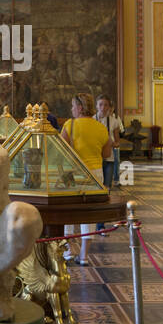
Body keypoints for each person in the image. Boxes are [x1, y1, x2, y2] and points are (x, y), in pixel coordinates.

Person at [60, 93, 112, 265]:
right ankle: (84, 255)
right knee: (88, 212)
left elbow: (61, 151)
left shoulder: (70, 124)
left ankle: (68, 249)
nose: (72, 109)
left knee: (68, 210)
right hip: (95, 172)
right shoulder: (101, 128)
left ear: (80, 108)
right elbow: (106, 154)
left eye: (73, 106)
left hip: (72, 172)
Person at [96, 95, 123, 190]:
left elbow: (117, 142)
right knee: (97, 186)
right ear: (97, 106)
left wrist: (111, 143)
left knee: (107, 187)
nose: (103, 107)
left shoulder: (114, 121)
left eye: (106, 105)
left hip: (109, 158)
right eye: (100, 104)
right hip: (95, 158)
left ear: (109, 107)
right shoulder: (91, 119)